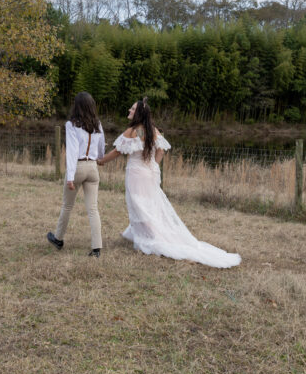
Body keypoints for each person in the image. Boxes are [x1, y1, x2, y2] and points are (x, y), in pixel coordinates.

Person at [98, 98, 240, 268]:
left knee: (139, 205)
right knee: (149, 204)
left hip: (136, 174)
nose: (129, 110)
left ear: (139, 113)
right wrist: (153, 166)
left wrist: (101, 161)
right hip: (149, 173)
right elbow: (161, 151)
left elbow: (117, 151)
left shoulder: (133, 131)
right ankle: (141, 233)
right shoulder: (152, 130)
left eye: (133, 108)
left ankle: (152, 238)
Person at [47, 92, 106, 257]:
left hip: (78, 166)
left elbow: (72, 152)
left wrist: (71, 177)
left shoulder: (71, 125)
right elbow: (101, 148)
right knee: (93, 208)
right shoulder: (98, 125)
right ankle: (96, 248)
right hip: (93, 168)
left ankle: (58, 239)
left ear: (76, 106)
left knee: (67, 206)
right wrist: (99, 158)